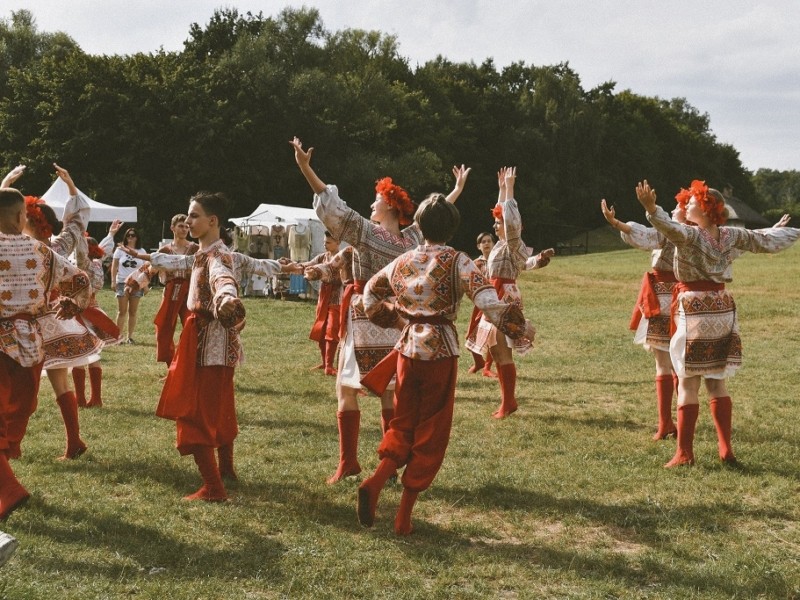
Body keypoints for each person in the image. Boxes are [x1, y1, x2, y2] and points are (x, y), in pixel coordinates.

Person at [290, 136, 470, 484]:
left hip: (364, 317)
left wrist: (305, 168)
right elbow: (436, 215)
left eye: (376, 201)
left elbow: (333, 207)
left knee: (346, 390)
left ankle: (348, 462)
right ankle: (392, 462)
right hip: (398, 322)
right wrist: (456, 189)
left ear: (388, 206)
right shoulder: (413, 239)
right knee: (390, 392)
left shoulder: (368, 233)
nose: (371, 205)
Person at [356, 193, 535, 535]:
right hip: (441, 351)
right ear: (452, 228)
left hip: (407, 351)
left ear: (419, 225)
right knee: (431, 431)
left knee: (404, 421)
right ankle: (403, 518)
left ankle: (377, 481)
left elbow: (370, 293)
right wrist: (520, 326)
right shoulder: (459, 261)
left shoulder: (403, 260)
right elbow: (488, 301)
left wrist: (391, 319)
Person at [634, 179, 800, 467]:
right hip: (722, 311)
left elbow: (666, 227)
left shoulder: (689, 235)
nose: (687, 204)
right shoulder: (732, 235)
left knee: (687, 382)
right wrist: (788, 231)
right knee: (717, 381)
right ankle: (726, 449)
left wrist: (651, 209)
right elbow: (764, 240)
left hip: (696, 311)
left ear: (708, 208)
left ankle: (684, 453)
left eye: (693, 201)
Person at [0, 186, 93, 519]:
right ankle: (5, 489)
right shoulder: (42, 251)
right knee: (12, 416)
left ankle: (8, 491)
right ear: (20, 216)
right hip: (30, 346)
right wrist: (73, 303)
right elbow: (81, 279)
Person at [149, 192, 246, 501]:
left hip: (209, 345)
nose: (187, 221)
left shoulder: (216, 256)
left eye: (193, 216)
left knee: (194, 413)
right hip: (216, 344)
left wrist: (226, 297)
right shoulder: (204, 252)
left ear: (212, 221)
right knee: (219, 408)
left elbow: (223, 280)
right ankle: (226, 471)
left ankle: (214, 488)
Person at [14, 164, 101, 459]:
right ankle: (73, 441)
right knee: (58, 385)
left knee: (22, 387)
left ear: (32, 221)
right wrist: (72, 187)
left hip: (32, 324)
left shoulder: (21, 247)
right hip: (53, 321)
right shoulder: (56, 246)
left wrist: (6, 184)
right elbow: (76, 223)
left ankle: (14, 446)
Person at [601, 198, 685, 440]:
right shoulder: (691, 233)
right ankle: (672, 421)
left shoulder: (673, 230)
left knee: (667, 363)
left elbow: (646, 235)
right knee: (675, 363)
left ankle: (668, 423)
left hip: (665, 298)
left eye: (680, 206)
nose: (675, 208)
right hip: (677, 296)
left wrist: (616, 222)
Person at [465, 167, 536, 418]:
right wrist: (502, 189)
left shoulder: (513, 242)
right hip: (494, 295)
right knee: (495, 348)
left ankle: (509, 402)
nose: (495, 226)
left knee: (501, 349)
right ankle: (507, 400)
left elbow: (511, 220)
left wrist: (510, 190)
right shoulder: (500, 245)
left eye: (498, 223)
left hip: (504, 297)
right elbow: (503, 213)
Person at [71, 223, 126, 408]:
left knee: (80, 353)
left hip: (81, 310)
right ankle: (95, 397)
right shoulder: (97, 264)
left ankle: (82, 398)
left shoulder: (84, 265)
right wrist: (110, 234)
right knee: (94, 354)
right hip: (94, 308)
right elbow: (105, 248)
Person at [285, 231, 343, 375]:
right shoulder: (323, 257)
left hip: (337, 299)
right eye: (324, 241)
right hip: (323, 297)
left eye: (328, 242)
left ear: (338, 243)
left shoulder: (342, 258)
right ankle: (325, 363)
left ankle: (330, 365)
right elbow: (308, 265)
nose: (325, 244)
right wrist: (291, 265)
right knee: (321, 328)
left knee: (331, 330)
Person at [149, 214, 199, 367]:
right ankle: (171, 365)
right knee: (164, 327)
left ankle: (190, 365)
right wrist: (137, 283)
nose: (184, 229)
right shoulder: (164, 249)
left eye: (186, 226)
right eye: (181, 226)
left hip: (189, 292)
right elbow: (152, 268)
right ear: (173, 228)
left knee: (192, 327)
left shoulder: (195, 248)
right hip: (171, 291)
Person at [111, 227, 148, 344]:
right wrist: (113, 281)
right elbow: (114, 266)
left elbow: (146, 270)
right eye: (128, 235)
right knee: (122, 311)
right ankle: (118, 336)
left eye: (133, 235)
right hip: (122, 282)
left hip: (137, 283)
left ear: (137, 237)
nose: (130, 237)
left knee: (133, 311)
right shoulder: (120, 250)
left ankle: (130, 337)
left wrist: (145, 285)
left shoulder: (141, 251)